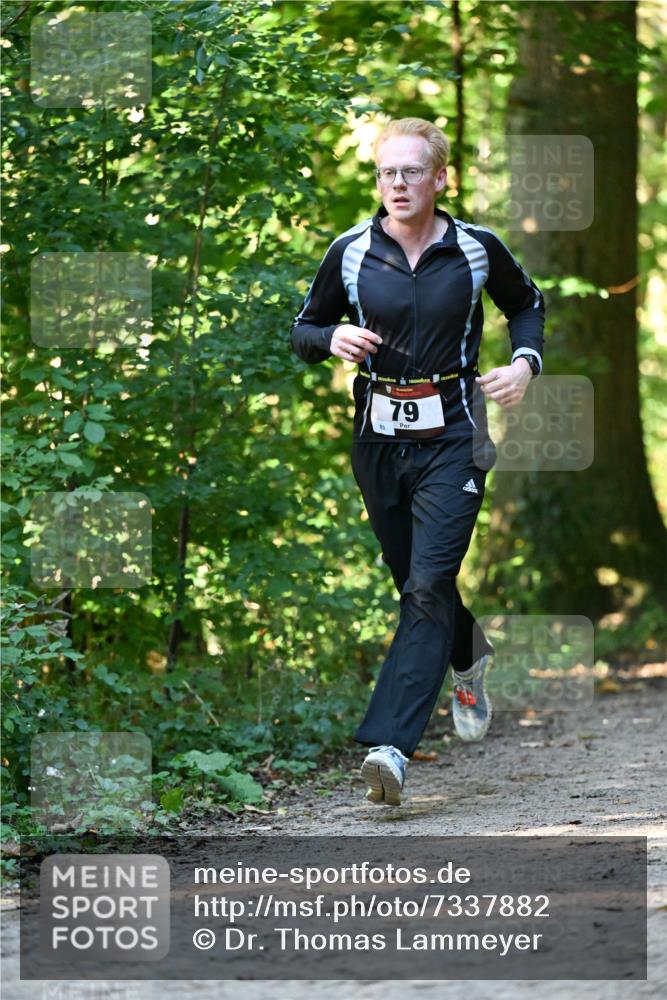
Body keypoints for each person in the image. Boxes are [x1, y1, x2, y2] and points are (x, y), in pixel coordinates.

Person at [290, 117, 545, 806]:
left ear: (439, 178)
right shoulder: (348, 252)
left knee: (429, 584)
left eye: (410, 172)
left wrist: (524, 364)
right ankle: (469, 653)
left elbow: (527, 306)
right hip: (375, 437)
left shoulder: (474, 248)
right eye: (385, 173)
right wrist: (331, 335)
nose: (396, 184)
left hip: (454, 434)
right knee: (413, 579)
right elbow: (302, 329)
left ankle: (389, 748)